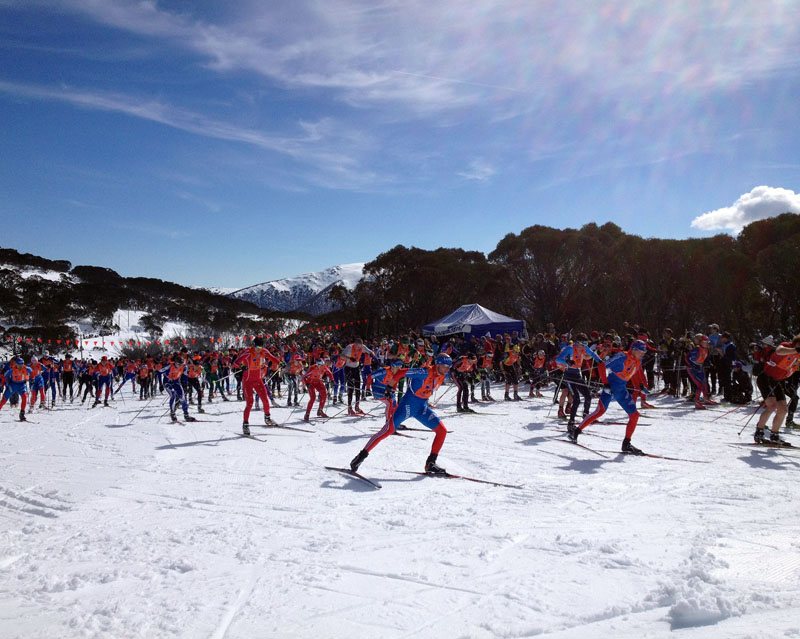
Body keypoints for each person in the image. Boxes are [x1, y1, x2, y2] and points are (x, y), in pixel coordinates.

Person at [349, 353, 453, 475]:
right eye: (445, 365)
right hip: (407, 406)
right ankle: (360, 457)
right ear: (438, 364)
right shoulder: (423, 372)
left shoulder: (442, 374)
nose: (447, 369)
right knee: (387, 430)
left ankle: (431, 463)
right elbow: (400, 373)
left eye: (449, 366)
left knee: (442, 431)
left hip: (421, 408)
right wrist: (390, 387)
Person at [568, 339, 649, 455]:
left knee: (634, 415)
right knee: (600, 411)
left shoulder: (638, 360)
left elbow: (638, 371)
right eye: (641, 351)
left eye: (644, 352)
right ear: (634, 350)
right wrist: (605, 383)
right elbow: (601, 365)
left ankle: (626, 443)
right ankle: (576, 431)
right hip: (610, 388)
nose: (643, 354)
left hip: (621, 390)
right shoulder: (622, 357)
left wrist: (641, 385)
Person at [753, 334, 800, 444]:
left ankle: (774, 435)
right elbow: (779, 351)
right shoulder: (787, 346)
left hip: (777, 381)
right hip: (765, 378)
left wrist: (794, 366)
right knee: (772, 405)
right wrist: (795, 350)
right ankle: (759, 433)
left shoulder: (797, 357)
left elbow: (788, 372)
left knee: (783, 410)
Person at [233, 337, 280, 435]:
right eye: (257, 346)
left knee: (265, 399)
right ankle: (245, 425)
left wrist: (280, 363)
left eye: (261, 347)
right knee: (250, 403)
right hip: (247, 381)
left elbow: (273, 358)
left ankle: (267, 418)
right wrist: (241, 366)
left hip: (258, 379)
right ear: (254, 345)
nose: (259, 349)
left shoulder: (264, 351)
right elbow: (235, 363)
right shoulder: (248, 352)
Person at [556, 334, 602, 427]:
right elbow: (558, 359)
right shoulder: (570, 348)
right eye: (583, 343)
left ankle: (586, 415)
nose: (585, 345)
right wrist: (567, 362)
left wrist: (600, 361)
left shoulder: (584, 348)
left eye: (586, 343)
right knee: (576, 399)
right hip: (569, 375)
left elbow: (592, 354)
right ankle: (571, 422)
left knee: (588, 396)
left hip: (577, 374)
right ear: (577, 343)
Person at [158, 353, 197, 423]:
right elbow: (159, 372)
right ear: (175, 362)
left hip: (176, 382)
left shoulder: (184, 367)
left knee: (182, 397)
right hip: (168, 382)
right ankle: (172, 413)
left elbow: (185, 376)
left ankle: (186, 415)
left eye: (181, 364)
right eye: (178, 364)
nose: (179, 366)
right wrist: (160, 384)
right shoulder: (169, 366)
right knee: (173, 395)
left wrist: (186, 384)